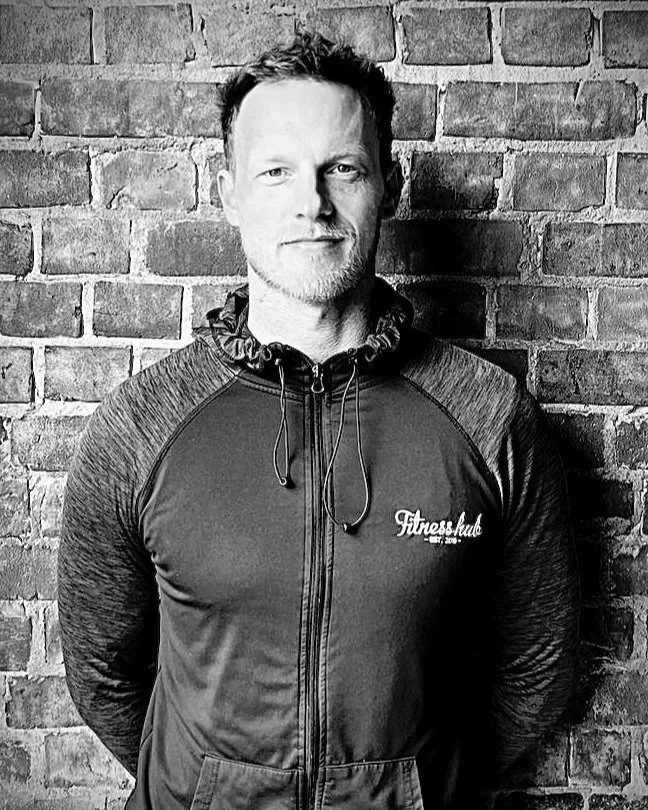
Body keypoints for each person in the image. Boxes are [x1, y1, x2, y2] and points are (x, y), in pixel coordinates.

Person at [58, 32, 579, 810]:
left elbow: (536, 665)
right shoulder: (140, 427)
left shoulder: (490, 417)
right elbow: (103, 672)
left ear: (389, 187)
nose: (312, 203)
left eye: (343, 168)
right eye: (276, 171)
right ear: (230, 194)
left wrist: (415, 789)